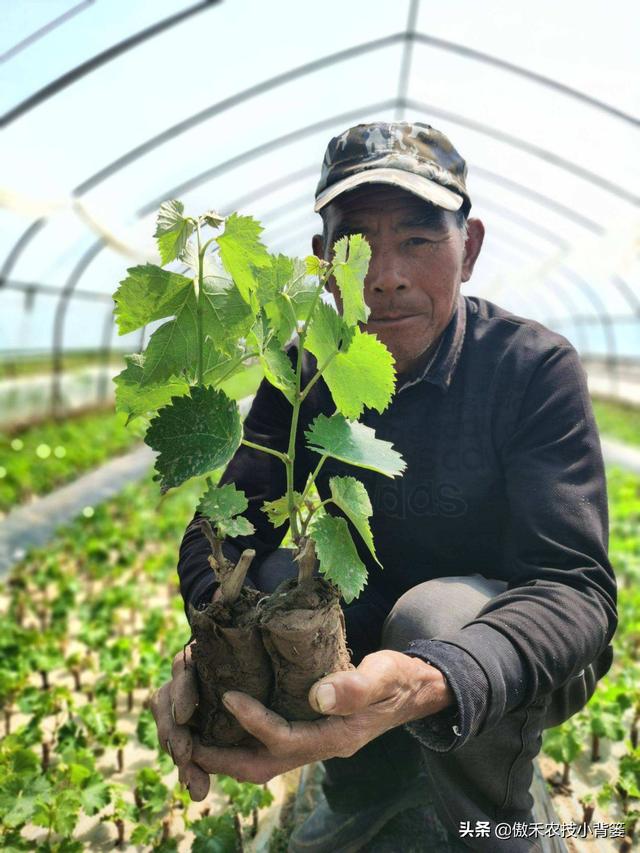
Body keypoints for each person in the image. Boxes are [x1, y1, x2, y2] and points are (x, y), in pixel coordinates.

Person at [150, 122, 617, 852]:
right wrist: (211, 646)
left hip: (505, 644)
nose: (385, 275)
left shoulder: (532, 369)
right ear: (321, 262)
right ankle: (362, 786)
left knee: (435, 618)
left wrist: (437, 675)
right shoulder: (304, 373)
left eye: (420, 240)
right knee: (268, 577)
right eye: (354, 245)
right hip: (363, 629)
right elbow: (225, 534)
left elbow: (576, 590)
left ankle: (494, 817)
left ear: (472, 246)